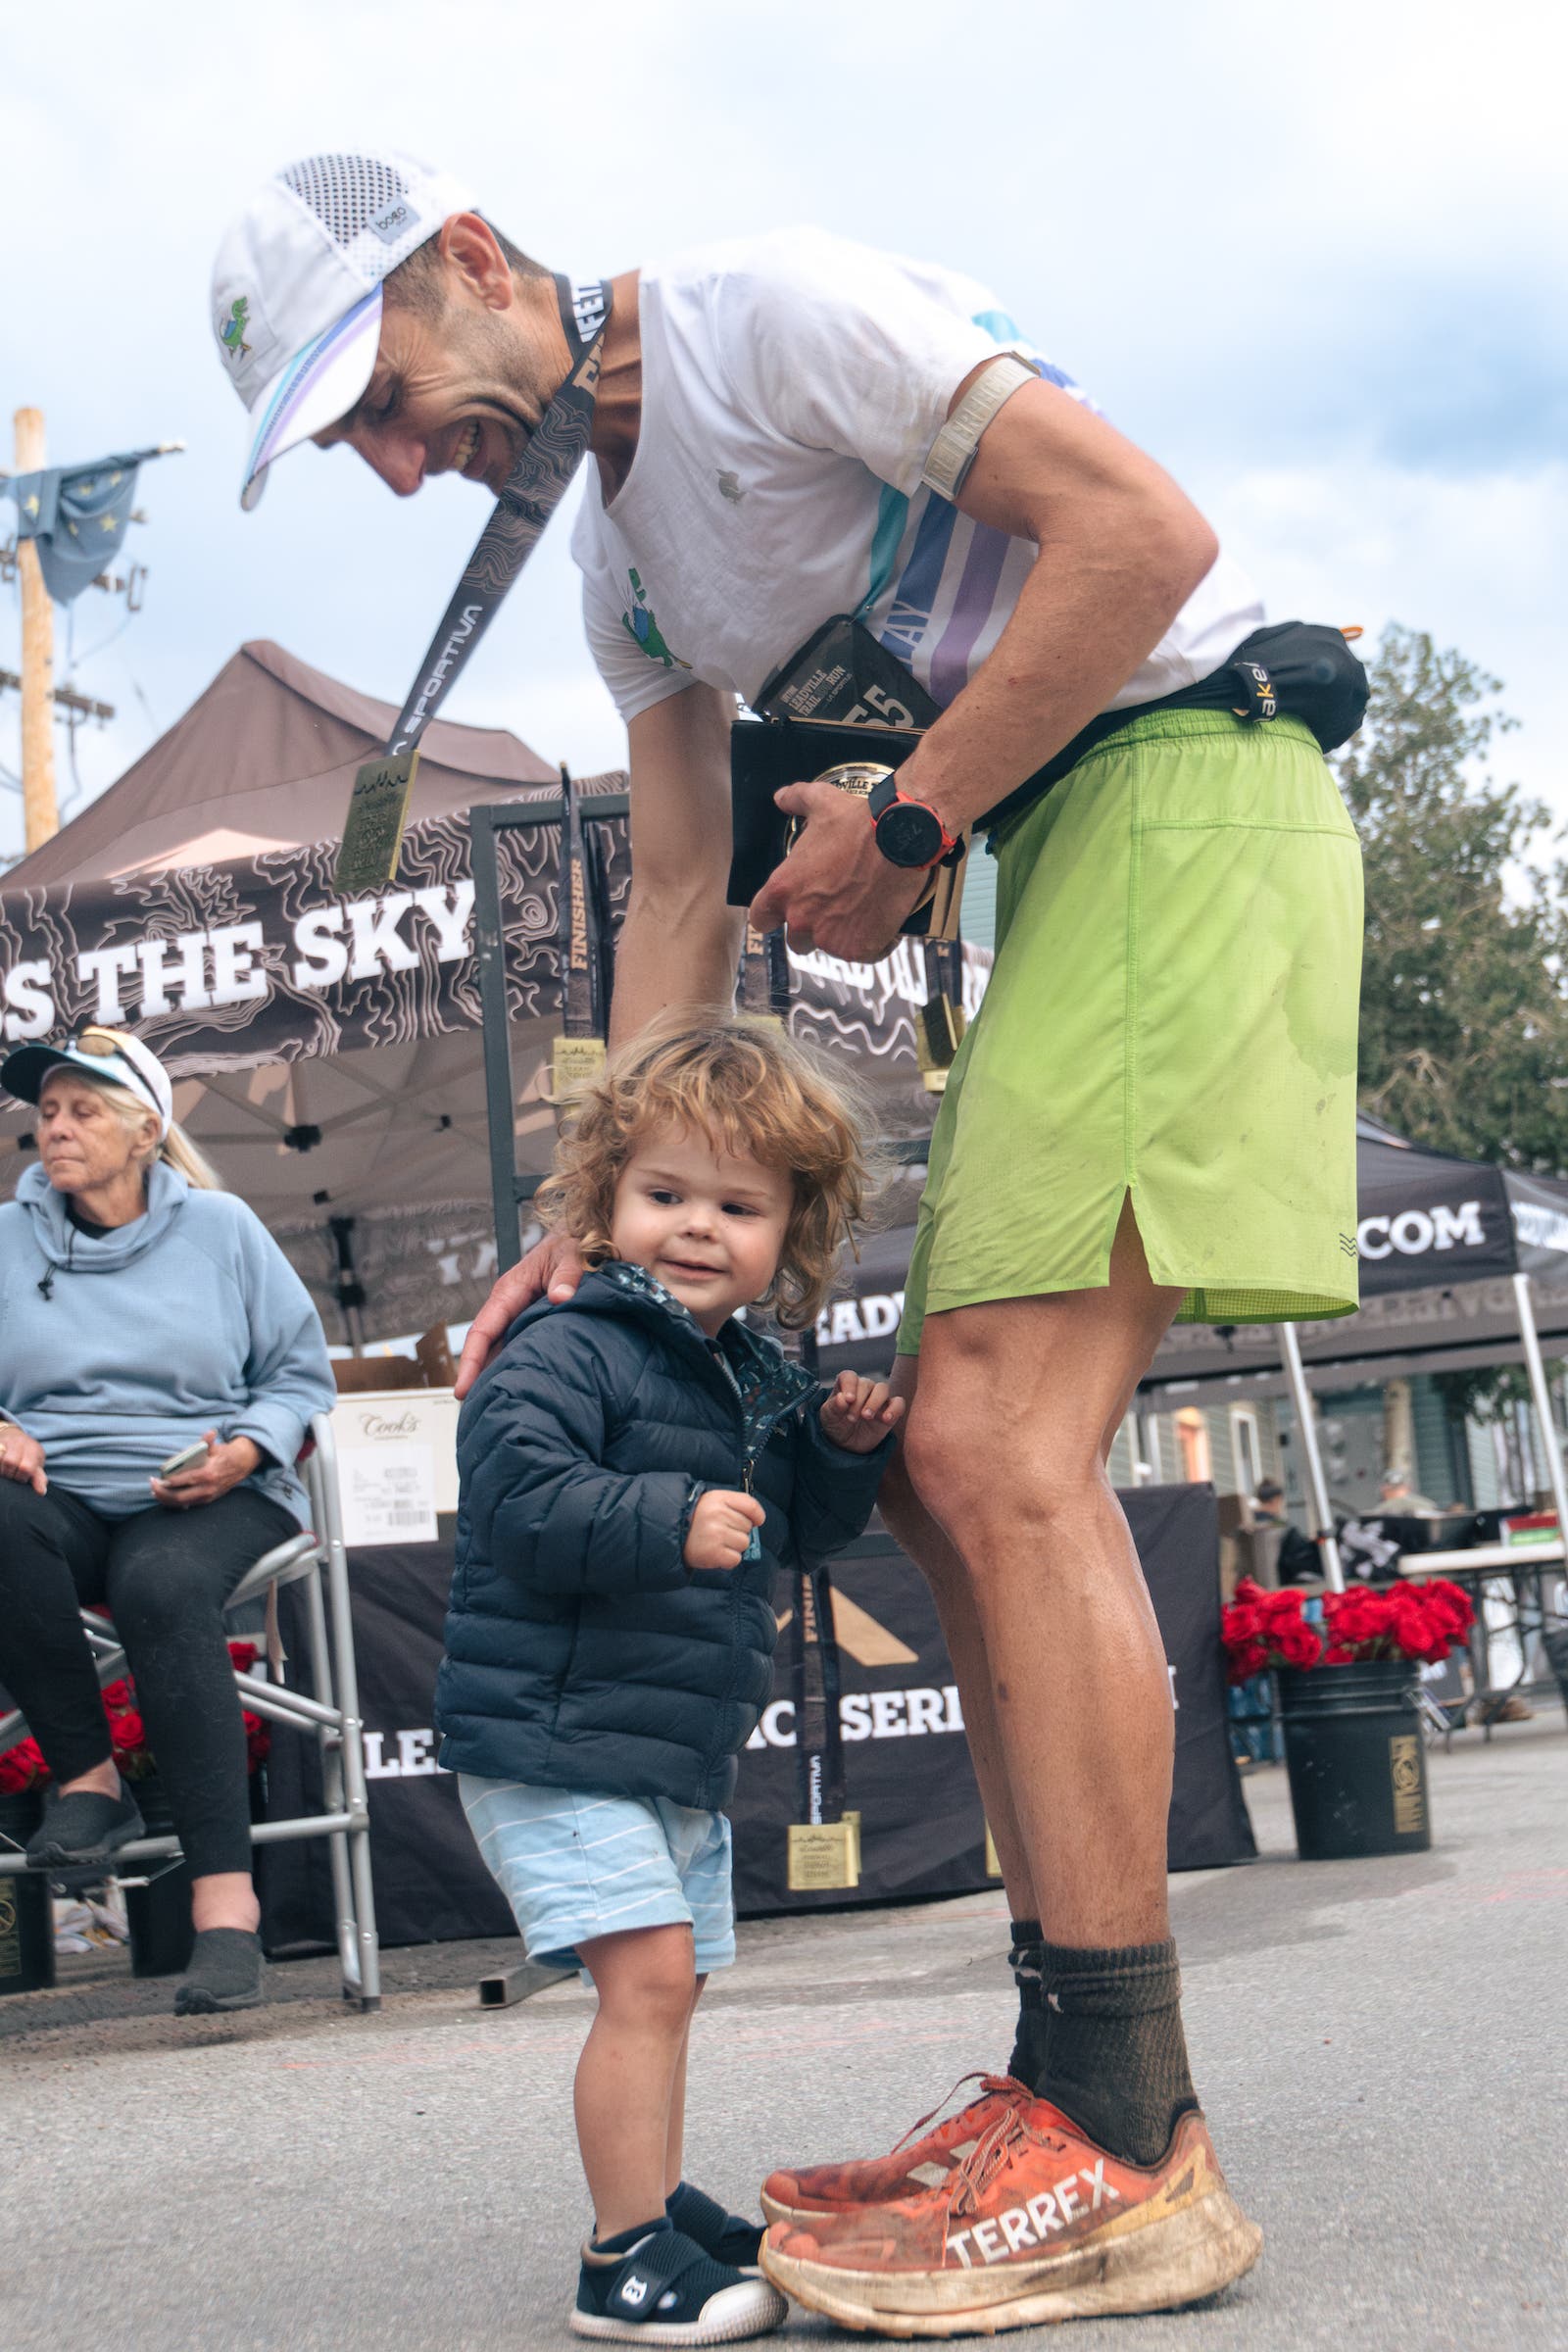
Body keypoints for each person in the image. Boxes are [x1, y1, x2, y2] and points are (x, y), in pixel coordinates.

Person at [213, 149, 1361, 2327]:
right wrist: (587, 1231)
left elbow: (1147, 537)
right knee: (947, 1451)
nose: (389, 470)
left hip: (1181, 783)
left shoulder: (774, 313)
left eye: (374, 398)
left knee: (997, 1448)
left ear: (471, 259)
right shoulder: (619, 580)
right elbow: (667, 897)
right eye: (350, 448)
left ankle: (1123, 2137)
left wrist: (915, 813)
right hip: (1071, 844)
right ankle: (1074, 2073)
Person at [433, 1020, 897, 2343]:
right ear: (604, 1202)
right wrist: (670, 1514)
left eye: (738, 1206)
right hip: (554, 1735)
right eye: (665, 1194)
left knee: (670, 1984)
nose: (698, 1227)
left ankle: (655, 2203)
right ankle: (621, 2259)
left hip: (655, 1746)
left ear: (790, 1233)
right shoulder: (567, 1344)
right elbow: (518, 1496)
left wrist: (841, 1454)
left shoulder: (748, 1368)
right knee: (643, 1983)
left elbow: (797, 1530)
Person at [0, 1026, 335, 2014]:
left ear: (148, 1130)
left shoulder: (224, 1229)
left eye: (82, 1109)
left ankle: (226, 1919)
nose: (54, 1127)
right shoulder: (4, 1236)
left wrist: (243, 1450)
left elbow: (298, 1377)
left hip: (208, 1492)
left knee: (161, 1584)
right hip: (59, 1494)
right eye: (47, 1110)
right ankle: (88, 1779)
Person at [1251, 1479, 1323, 1586]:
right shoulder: (1282, 1527)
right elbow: (1300, 1557)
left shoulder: (1247, 1524)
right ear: (1276, 1500)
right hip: (1281, 1583)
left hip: (1252, 1584)